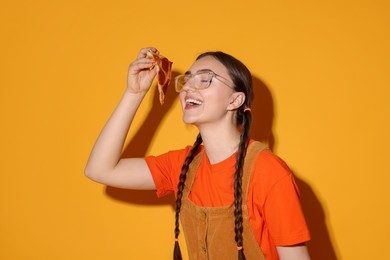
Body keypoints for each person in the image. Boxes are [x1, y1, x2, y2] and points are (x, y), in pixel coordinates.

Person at [85, 47, 311, 260]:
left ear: (235, 100)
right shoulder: (183, 165)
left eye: (205, 79)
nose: (188, 88)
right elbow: (100, 170)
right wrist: (134, 93)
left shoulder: (268, 172)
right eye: (186, 80)